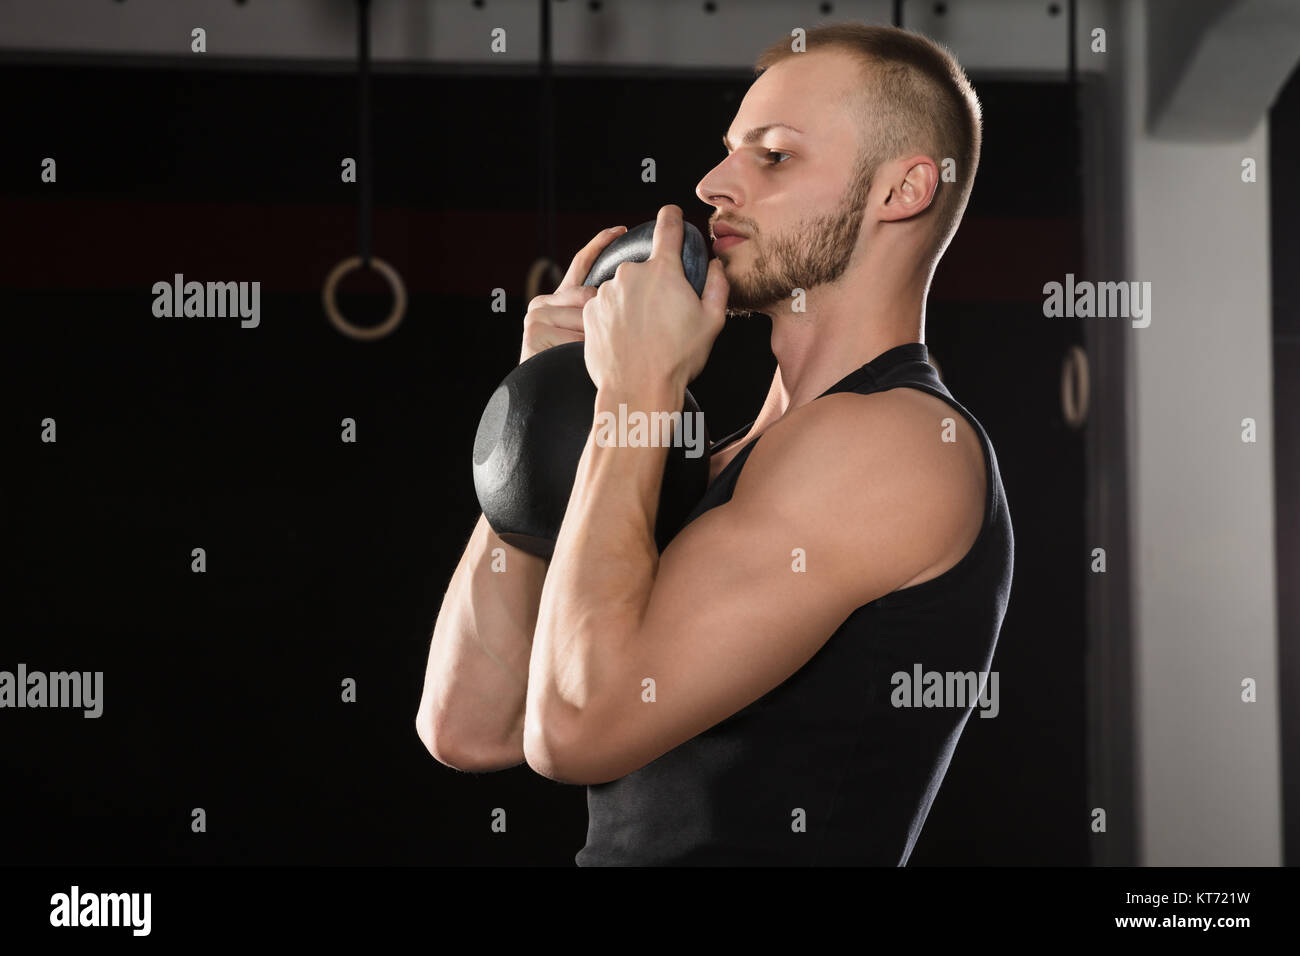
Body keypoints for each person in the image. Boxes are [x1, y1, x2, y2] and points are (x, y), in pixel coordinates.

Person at [416, 22, 1013, 866]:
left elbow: (578, 730)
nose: (711, 185)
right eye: (729, 151)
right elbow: (469, 725)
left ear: (903, 190)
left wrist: (635, 391)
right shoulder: (735, 453)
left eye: (772, 157)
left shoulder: (894, 442)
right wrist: (548, 405)